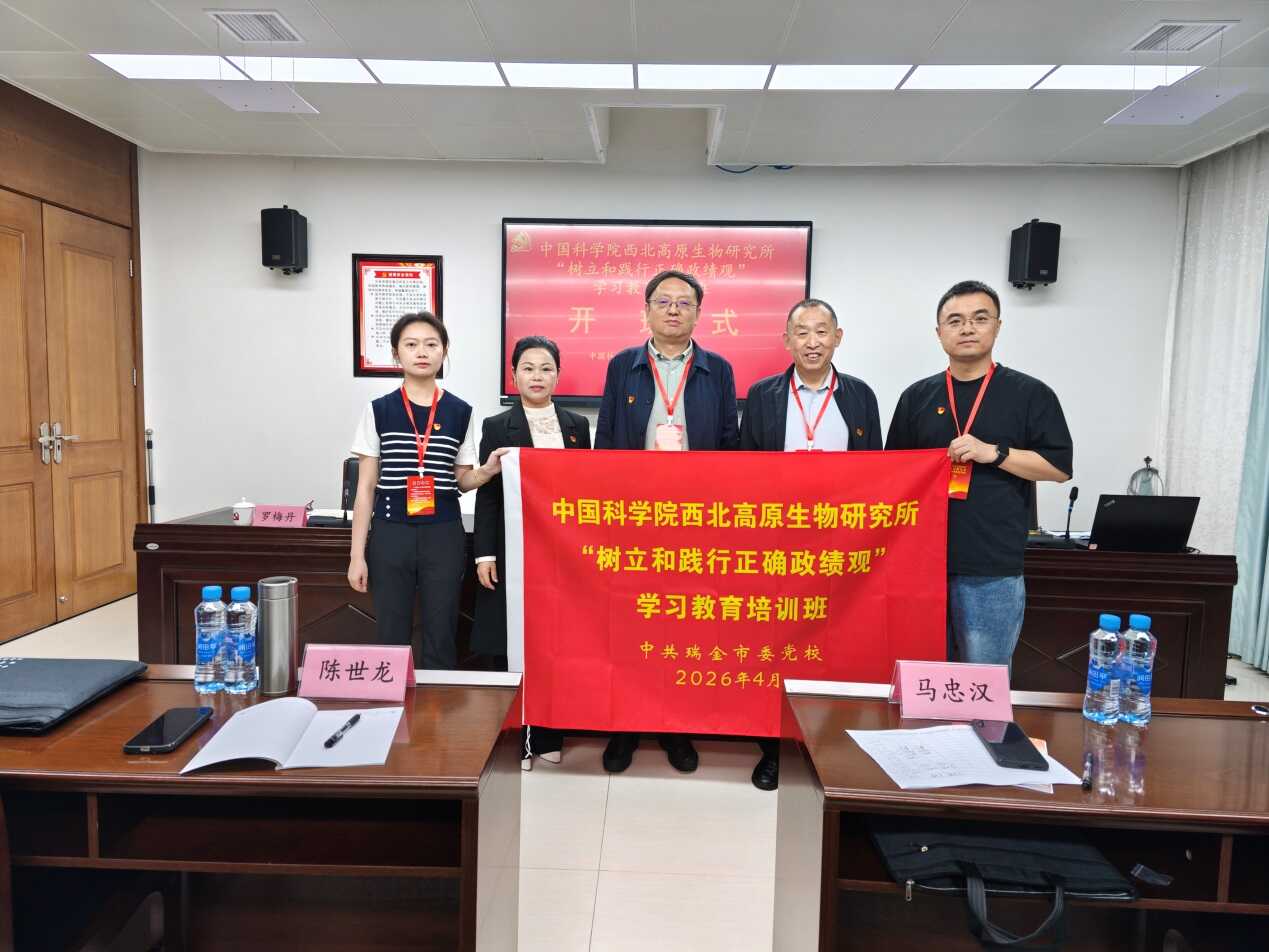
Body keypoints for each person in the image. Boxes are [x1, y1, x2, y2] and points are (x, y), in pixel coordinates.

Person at [595, 269, 740, 775]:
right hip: (635, 519)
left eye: (684, 302)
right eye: (663, 301)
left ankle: (676, 725)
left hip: (695, 522)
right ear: (647, 311)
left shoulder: (718, 369)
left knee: (683, 626)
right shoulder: (623, 366)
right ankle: (624, 726)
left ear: (699, 313)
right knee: (629, 623)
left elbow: (729, 445)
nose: (673, 309)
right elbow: (606, 439)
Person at [885, 280, 1072, 667]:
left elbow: (1057, 468)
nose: (967, 328)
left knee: (981, 681)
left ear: (997, 326)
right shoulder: (916, 398)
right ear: (939, 333)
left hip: (991, 568)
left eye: (979, 318)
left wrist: (995, 454)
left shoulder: (1029, 394)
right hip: (922, 567)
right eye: (955, 320)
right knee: (922, 678)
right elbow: (892, 475)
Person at [739, 297, 882, 790]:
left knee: (834, 645)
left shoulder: (860, 396)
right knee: (777, 647)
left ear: (838, 338)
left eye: (822, 332)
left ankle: (829, 746)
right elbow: (746, 471)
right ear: (787, 341)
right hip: (777, 545)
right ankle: (775, 749)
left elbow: (879, 474)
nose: (812, 342)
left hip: (840, 549)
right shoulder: (763, 395)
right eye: (802, 332)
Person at [347, 311, 508, 668]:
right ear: (396, 354)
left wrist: (485, 472)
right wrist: (357, 555)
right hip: (391, 532)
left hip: (443, 534)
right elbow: (366, 488)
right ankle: (390, 701)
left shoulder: (460, 412)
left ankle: (439, 703)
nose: (422, 352)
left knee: (442, 631)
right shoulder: (378, 410)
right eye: (411, 344)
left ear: (444, 351)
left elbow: (462, 480)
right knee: (391, 632)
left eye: (431, 344)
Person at [472, 335, 591, 767]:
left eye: (546, 368)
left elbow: (586, 493)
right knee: (510, 641)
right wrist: (484, 554)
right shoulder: (496, 426)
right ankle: (509, 736)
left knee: (555, 643)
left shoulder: (577, 425)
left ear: (558, 375)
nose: (537, 376)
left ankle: (547, 735)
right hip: (512, 549)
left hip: (561, 555)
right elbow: (487, 494)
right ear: (514, 375)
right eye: (528, 368)